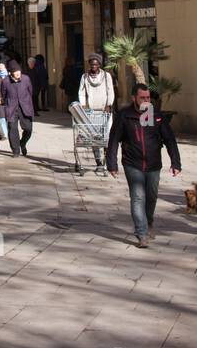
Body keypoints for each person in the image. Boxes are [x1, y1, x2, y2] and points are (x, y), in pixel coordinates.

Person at [106, 82, 183, 248]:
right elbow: (113, 139)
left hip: (154, 164)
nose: (146, 100)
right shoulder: (125, 115)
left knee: (152, 196)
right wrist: (111, 163)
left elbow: (169, 139)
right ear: (134, 98)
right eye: (143, 97)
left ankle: (148, 223)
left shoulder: (156, 115)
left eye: (148, 97)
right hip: (132, 163)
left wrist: (175, 162)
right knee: (138, 197)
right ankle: (141, 233)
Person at [78, 53, 115, 173]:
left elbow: (110, 91)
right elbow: (81, 92)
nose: (94, 66)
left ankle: (106, 161)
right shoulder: (85, 77)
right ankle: (99, 162)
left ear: (99, 64)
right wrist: (83, 104)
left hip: (104, 111)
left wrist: (109, 104)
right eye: (92, 64)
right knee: (94, 138)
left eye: (96, 64)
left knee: (106, 137)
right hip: (92, 111)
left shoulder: (106, 76)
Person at [0, 60, 35, 156]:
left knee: (28, 129)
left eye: (19, 70)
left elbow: (30, 92)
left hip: (25, 107)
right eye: (15, 71)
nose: (18, 73)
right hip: (11, 108)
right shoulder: (5, 81)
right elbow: (3, 95)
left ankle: (22, 143)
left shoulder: (26, 79)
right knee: (12, 129)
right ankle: (15, 150)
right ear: (11, 72)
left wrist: (27, 103)